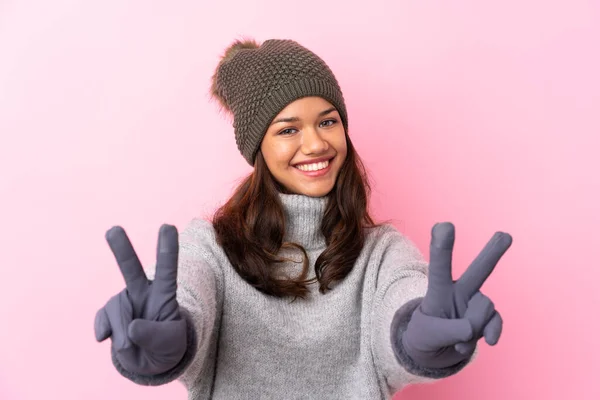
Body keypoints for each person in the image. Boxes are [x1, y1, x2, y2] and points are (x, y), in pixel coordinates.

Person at [94, 38, 513, 400]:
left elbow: (402, 300)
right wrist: (172, 339)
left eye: (328, 122)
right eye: (288, 130)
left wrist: (416, 333)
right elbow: (188, 293)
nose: (316, 144)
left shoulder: (382, 253)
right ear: (258, 149)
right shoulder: (210, 248)